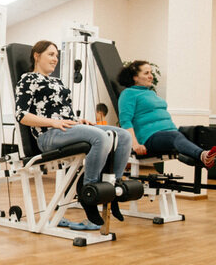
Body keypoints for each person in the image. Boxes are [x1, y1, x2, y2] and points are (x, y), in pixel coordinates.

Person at [14, 40, 132, 226]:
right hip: (49, 135)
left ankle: (113, 187)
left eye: (56, 55)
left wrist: (79, 121)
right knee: (100, 137)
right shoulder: (28, 79)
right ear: (37, 56)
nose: (55, 59)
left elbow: (63, 113)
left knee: (124, 136)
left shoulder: (57, 81)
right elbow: (21, 115)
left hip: (67, 128)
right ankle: (88, 191)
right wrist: (53, 122)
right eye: (51, 54)